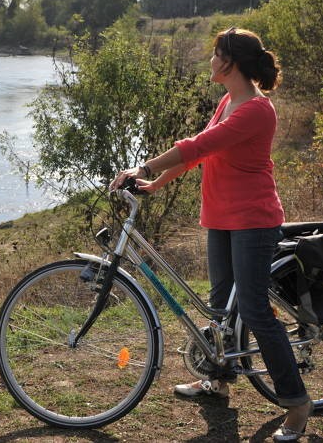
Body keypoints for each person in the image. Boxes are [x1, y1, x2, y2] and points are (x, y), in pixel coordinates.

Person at [111, 28, 312, 441]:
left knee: (255, 311)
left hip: (253, 220)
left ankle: (296, 402)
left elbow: (198, 144)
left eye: (215, 53)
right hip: (219, 217)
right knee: (220, 308)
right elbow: (200, 152)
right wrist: (156, 184)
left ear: (230, 63)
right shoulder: (228, 100)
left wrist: (144, 167)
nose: (209, 60)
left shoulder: (256, 109)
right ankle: (218, 381)